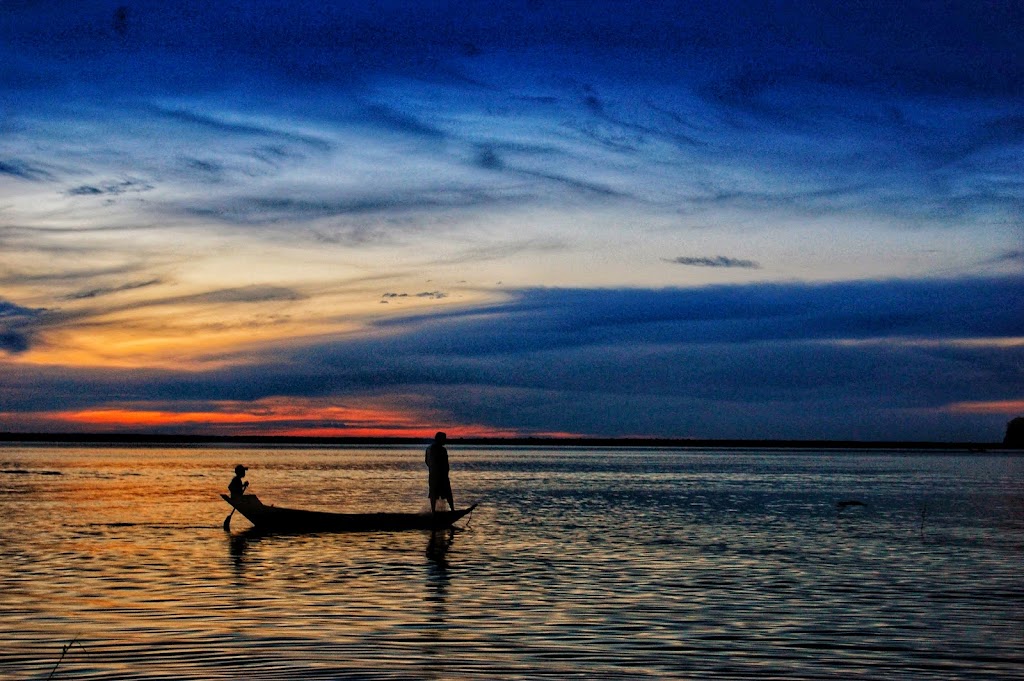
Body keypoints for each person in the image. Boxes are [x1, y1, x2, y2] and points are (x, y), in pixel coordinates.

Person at [425, 431, 455, 513]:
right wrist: (444, 473)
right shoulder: (442, 450)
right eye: (444, 439)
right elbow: (445, 463)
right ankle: (452, 510)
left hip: (433, 475)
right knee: (447, 493)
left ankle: (433, 512)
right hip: (441, 475)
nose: (445, 440)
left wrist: (432, 469)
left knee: (433, 494)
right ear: (440, 439)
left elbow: (427, 462)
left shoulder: (429, 449)